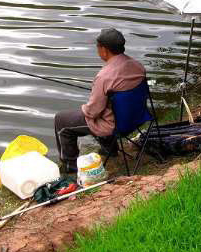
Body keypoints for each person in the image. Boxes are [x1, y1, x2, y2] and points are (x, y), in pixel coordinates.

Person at [54, 28, 146, 173]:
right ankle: (111, 149)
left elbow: (92, 112)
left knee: (61, 120)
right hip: (137, 118)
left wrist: (84, 107)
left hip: (115, 126)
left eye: (98, 47)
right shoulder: (138, 66)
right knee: (109, 108)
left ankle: (70, 167)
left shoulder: (104, 76)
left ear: (104, 50)